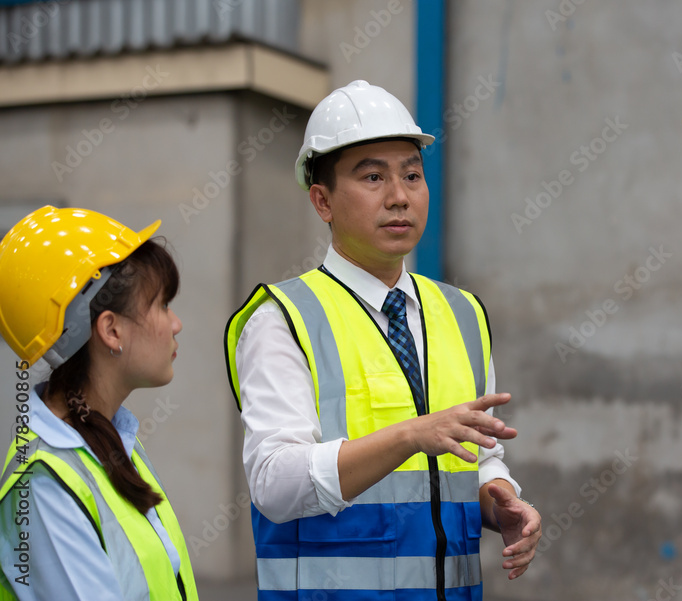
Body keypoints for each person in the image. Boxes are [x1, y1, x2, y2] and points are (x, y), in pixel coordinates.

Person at [224, 80, 541, 600]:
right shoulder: (283, 320)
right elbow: (274, 485)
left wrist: (499, 498)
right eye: (373, 176)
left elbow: (477, 456)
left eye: (412, 175)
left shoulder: (462, 313)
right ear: (322, 200)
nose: (399, 196)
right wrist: (408, 436)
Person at [0, 206, 197, 600]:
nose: (176, 324)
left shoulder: (112, 439)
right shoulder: (43, 485)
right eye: (162, 304)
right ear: (110, 329)